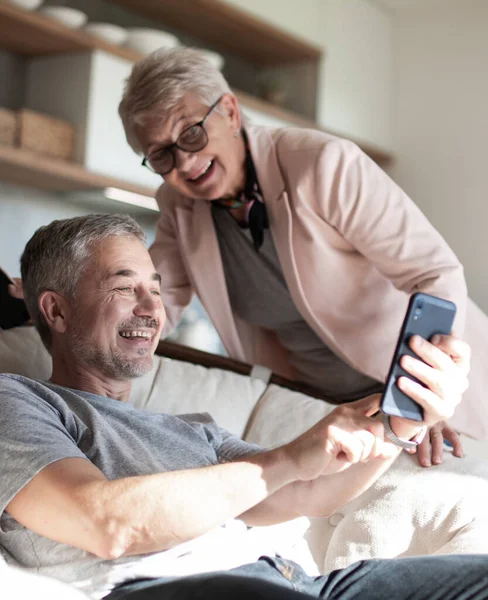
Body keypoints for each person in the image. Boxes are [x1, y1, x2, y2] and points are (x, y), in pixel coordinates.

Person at [1, 213, 486, 600]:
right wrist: (287, 459)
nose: (152, 309)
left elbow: (303, 492)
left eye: (155, 288)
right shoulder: (18, 402)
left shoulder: (193, 430)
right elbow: (104, 523)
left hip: (301, 581)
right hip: (173, 589)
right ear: (56, 310)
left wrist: (400, 418)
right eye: (126, 287)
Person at [116, 47, 488, 463]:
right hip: (327, 406)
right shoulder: (178, 206)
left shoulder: (323, 164)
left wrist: (424, 395)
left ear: (231, 113)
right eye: (162, 153)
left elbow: (433, 272)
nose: (183, 160)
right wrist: (77, 318)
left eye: (191, 133)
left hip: (428, 393)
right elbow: (154, 302)